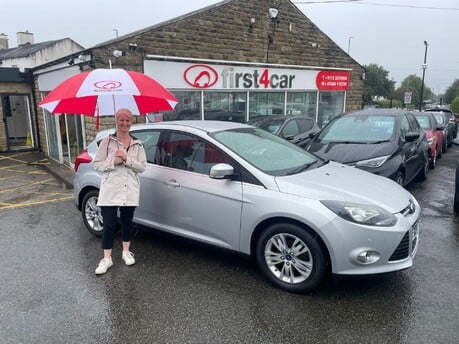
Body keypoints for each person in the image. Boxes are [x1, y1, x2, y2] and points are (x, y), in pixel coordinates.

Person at [92, 108, 147, 275]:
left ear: (132, 122)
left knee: (127, 222)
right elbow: (96, 164)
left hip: (129, 189)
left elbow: (142, 167)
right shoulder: (107, 142)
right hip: (110, 189)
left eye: (128, 120)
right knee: (108, 224)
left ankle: (125, 252)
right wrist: (113, 161)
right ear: (116, 121)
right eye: (121, 120)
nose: (125, 123)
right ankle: (107, 258)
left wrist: (126, 158)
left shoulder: (138, 144)